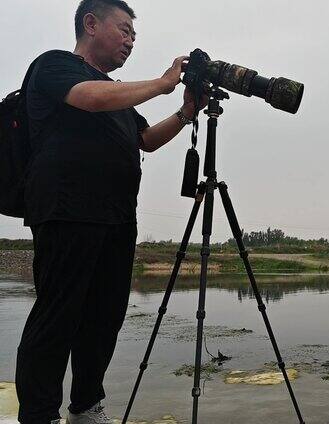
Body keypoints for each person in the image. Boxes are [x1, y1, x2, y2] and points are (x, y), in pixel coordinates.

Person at [15, 1, 207, 423]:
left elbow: (147, 140)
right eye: (124, 30)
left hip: (117, 217)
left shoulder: (118, 95)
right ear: (90, 24)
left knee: (104, 320)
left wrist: (186, 112)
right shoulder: (55, 66)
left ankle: (86, 407)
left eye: (134, 36)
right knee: (57, 315)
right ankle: (40, 414)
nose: (130, 41)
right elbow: (88, 98)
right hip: (67, 210)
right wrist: (161, 83)